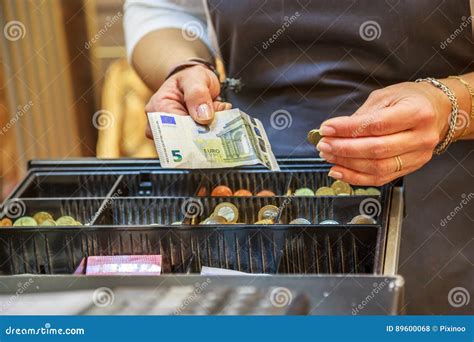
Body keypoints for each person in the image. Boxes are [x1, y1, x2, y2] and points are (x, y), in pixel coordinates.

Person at [124, 0, 474, 314]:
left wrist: (452, 105)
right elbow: (164, 9)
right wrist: (181, 67)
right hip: (252, 200)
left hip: (441, 204)